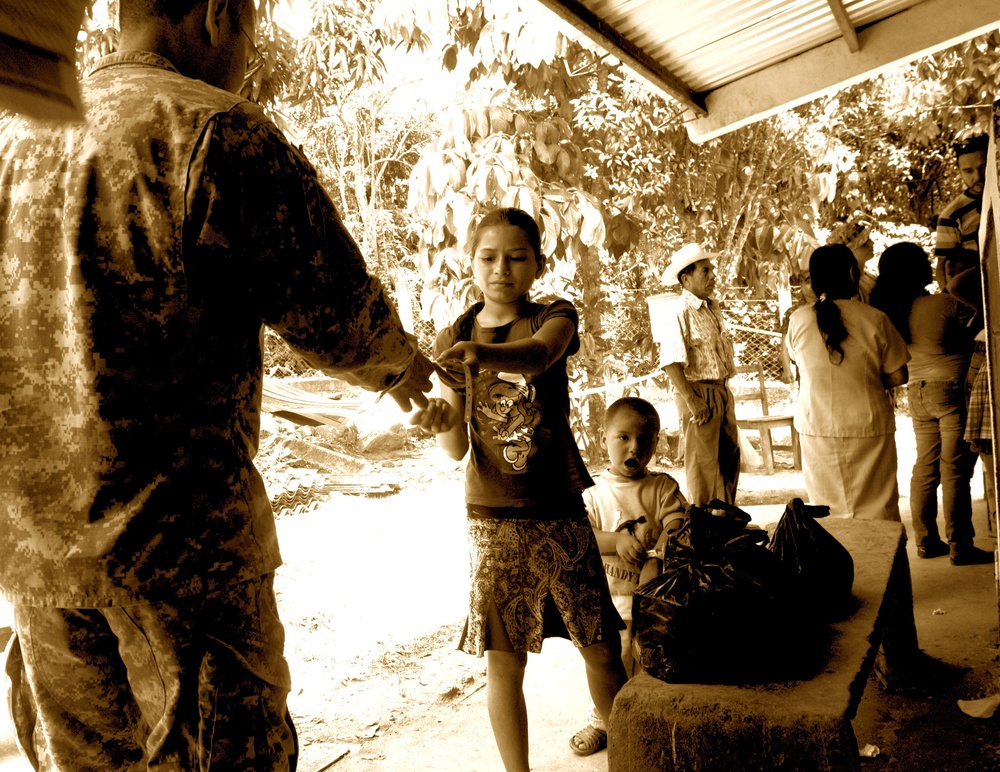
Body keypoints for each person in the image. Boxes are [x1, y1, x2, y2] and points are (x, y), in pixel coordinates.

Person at [0, 1, 434, 769]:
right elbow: (334, 312)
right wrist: (403, 367)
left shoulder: (17, 137)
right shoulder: (211, 129)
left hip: (41, 574)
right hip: (182, 572)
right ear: (215, 13)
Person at [409, 207, 628, 772]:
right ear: (470, 262)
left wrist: (482, 358)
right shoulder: (456, 335)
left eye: (516, 256)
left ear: (538, 262)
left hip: (557, 507)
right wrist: (439, 419)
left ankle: (629, 758)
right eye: (488, 257)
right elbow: (456, 447)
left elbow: (539, 356)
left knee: (600, 648)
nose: (501, 268)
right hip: (492, 516)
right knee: (503, 664)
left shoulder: (553, 316)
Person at [567, 397, 688, 757]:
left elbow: (678, 523)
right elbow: (581, 535)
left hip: (653, 604)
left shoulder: (662, 487)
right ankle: (603, 721)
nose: (635, 447)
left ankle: (647, 722)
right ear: (603, 438)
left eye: (645, 439)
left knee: (651, 664)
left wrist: (661, 549)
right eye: (624, 437)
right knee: (610, 664)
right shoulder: (591, 492)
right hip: (608, 600)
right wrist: (617, 540)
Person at [869, 243, 990, 564]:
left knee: (925, 467)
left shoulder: (891, 309)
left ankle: (926, 541)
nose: (931, 267)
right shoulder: (946, 304)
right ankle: (961, 545)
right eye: (925, 262)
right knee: (955, 470)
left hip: (917, 392)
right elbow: (980, 333)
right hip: (950, 389)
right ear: (915, 270)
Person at [786, 244, 910, 520]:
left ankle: (836, 564)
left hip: (817, 427)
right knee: (879, 514)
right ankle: (883, 563)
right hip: (868, 426)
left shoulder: (799, 320)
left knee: (828, 515)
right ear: (853, 273)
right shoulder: (874, 318)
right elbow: (899, 374)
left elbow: (803, 365)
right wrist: (866, 378)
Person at [658, 243, 741, 506]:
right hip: (697, 392)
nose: (712, 276)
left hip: (721, 390)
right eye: (705, 271)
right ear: (686, 278)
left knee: (728, 458)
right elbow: (671, 361)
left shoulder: (711, 309)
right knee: (704, 464)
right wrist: (692, 400)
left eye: (711, 270)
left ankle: (727, 518)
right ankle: (705, 524)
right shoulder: (680, 311)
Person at [934, 134, 988, 271]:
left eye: (984, 167)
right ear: (960, 172)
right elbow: (943, 268)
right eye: (968, 171)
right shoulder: (951, 216)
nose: (978, 176)